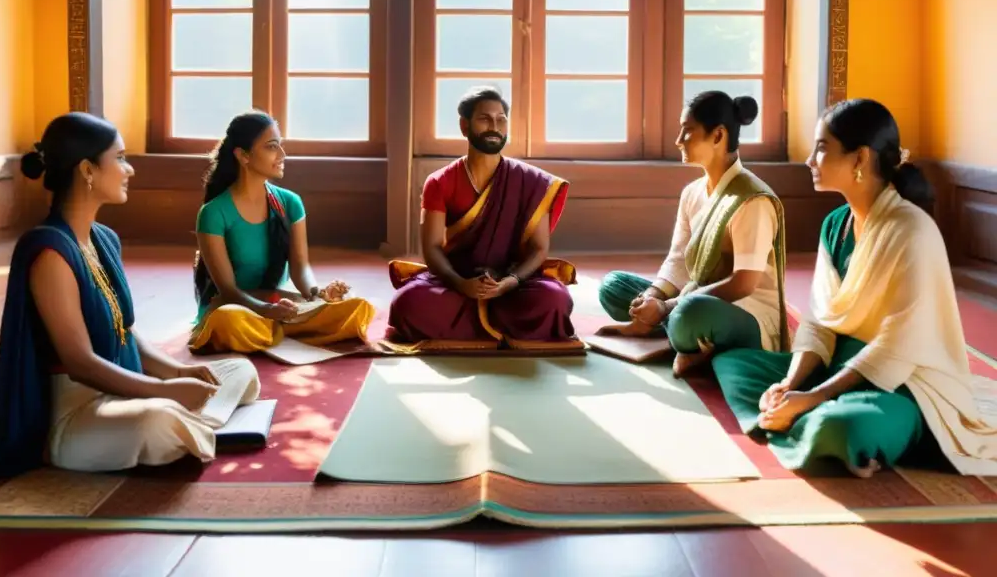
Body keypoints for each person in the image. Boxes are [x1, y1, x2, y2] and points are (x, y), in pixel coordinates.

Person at [712, 99, 997, 477]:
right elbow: (818, 322)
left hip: (903, 382)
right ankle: (806, 415)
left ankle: (831, 422)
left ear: (859, 159)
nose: (810, 160)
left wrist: (814, 396)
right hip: (839, 363)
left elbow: (898, 346)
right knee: (732, 363)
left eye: (821, 148)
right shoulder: (835, 225)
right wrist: (789, 383)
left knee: (843, 427)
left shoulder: (912, 230)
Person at [0, 113, 259, 484]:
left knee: (240, 372)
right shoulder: (48, 251)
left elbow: (127, 331)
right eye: (120, 158)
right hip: (79, 411)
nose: (130, 170)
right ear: (88, 169)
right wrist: (163, 390)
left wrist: (179, 373)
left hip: (127, 389)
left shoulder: (104, 238)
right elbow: (80, 364)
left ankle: (191, 415)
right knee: (158, 423)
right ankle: (186, 416)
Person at [597, 91, 788, 377]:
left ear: (717, 136)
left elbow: (744, 284)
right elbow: (677, 261)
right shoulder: (692, 193)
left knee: (688, 316)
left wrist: (667, 306)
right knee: (613, 287)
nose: (678, 140)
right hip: (693, 298)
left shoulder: (752, 199)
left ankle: (682, 333)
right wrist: (651, 297)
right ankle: (684, 338)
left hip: (746, 311)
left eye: (687, 131)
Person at [386, 87, 578, 348]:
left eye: (501, 119)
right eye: (484, 119)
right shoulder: (440, 182)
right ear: (464, 126)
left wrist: (510, 282)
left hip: (514, 281)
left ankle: (475, 325)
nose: (494, 126)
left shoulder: (532, 182)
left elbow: (539, 248)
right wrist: (462, 284)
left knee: (555, 299)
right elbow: (431, 248)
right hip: (458, 280)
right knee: (408, 304)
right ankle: (506, 326)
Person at [189, 111, 373, 354]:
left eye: (281, 145)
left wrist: (318, 294)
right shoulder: (213, 213)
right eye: (272, 147)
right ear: (243, 155)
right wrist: (265, 310)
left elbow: (300, 268)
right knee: (227, 322)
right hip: (238, 308)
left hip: (280, 305)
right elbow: (229, 291)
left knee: (357, 307)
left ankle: (276, 331)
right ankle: (281, 330)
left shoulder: (290, 203)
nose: (282, 155)